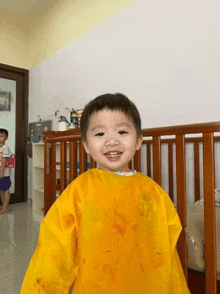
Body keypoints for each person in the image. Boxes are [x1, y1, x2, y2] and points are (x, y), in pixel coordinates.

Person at [21, 93, 190, 293]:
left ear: (137, 141)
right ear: (86, 145)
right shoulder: (79, 190)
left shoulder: (154, 193)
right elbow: (53, 249)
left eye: (122, 131)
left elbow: (168, 253)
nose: (111, 141)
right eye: (100, 134)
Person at [0, 128, 12, 215]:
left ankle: (5, 208)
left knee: (6, 188)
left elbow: (5, 160)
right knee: (1, 189)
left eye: (1, 136)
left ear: (6, 138)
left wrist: (1, 172)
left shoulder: (5, 148)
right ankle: (4, 205)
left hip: (4, 173)